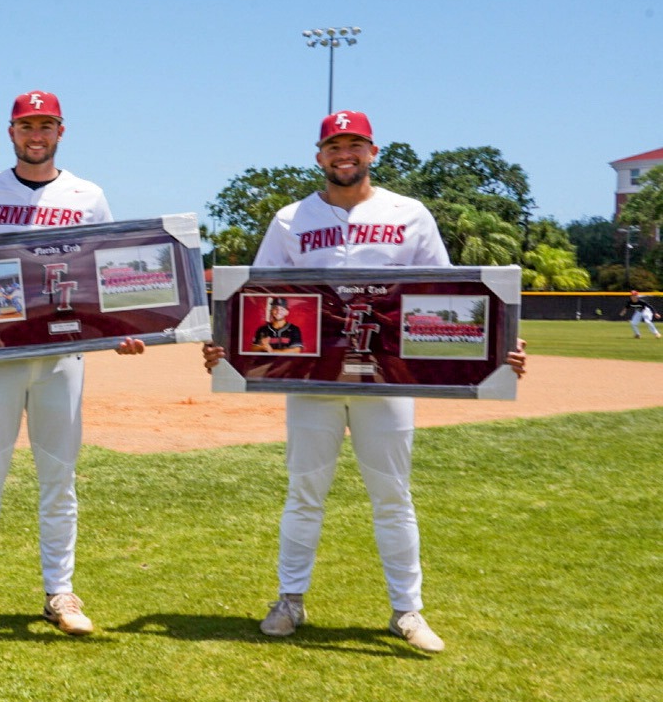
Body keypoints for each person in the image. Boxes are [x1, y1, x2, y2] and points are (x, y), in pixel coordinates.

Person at [203, 110, 527, 653]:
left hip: (389, 381)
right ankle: (289, 600)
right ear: (319, 154)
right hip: (314, 381)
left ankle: (407, 610)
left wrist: (499, 350)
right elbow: (256, 297)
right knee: (304, 492)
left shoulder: (410, 213)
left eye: (355, 144)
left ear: (373, 152)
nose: (344, 154)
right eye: (334, 145)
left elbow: (448, 298)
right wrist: (224, 345)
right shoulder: (290, 219)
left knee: (393, 497)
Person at [0, 90, 146, 636]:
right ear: (10, 132)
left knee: (59, 478)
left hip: (61, 354)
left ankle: (60, 592)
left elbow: (103, 273)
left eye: (46, 125)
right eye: (26, 125)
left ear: (61, 131)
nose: (36, 134)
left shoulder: (88, 194)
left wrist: (125, 331)